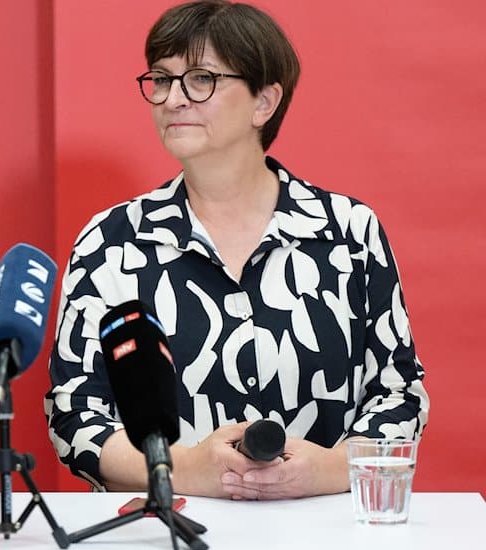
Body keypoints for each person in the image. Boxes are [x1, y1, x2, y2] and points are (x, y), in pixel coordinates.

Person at [45, 0, 428, 500]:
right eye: (161, 79)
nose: (173, 99)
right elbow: (74, 414)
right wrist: (186, 468)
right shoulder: (112, 241)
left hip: (325, 531)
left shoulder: (348, 232)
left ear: (264, 102)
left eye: (200, 78)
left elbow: (398, 395)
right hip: (166, 530)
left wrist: (331, 469)